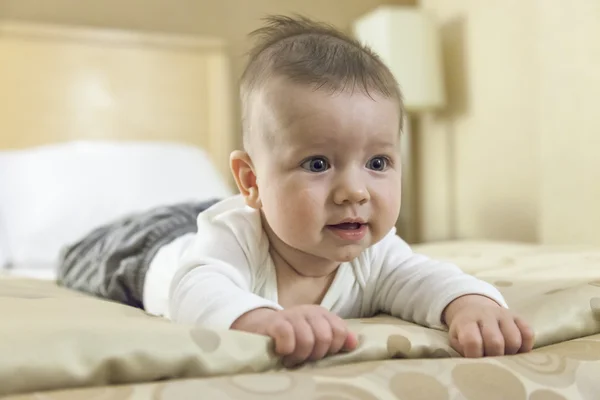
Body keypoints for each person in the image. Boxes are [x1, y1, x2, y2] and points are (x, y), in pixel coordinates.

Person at [58, 14, 534, 368]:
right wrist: (261, 319)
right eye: (318, 164)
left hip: (238, 213)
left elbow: (426, 278)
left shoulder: (375, 253)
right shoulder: (230, 244)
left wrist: (471, 303)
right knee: (82, 259)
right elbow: (194, 286)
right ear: (251, 181)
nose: (354, 191)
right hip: (153, 246)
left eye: (377, 163)